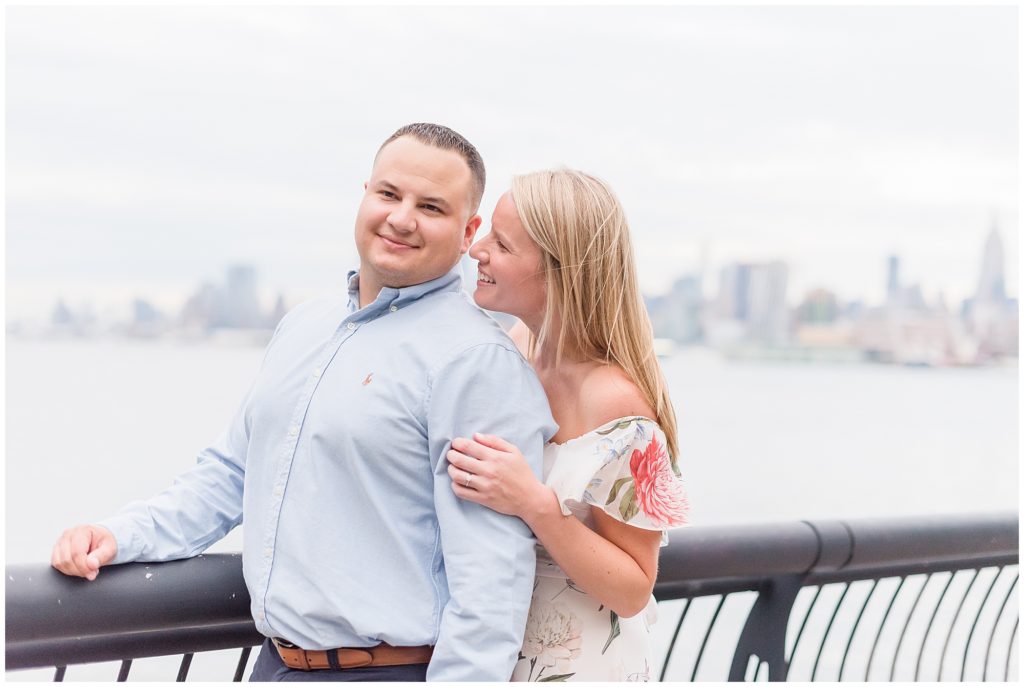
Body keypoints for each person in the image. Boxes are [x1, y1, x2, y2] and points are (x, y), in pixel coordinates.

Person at [50, 123, 558, 682]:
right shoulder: (303, 327)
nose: (402, 218)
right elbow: (230, 474)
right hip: (274, 664)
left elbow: (491, 585)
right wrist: (119, 536)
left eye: (431, 207)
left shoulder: (475, 362)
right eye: (389, 194)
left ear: (468, 232)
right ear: (365, 194)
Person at [445, 169, 689, 681]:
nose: (477, 250)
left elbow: (633, 587)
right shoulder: (518, 349)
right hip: (500, 661)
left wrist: (532, 503)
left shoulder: (619, 406)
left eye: (502, 244)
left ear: (558, 271)